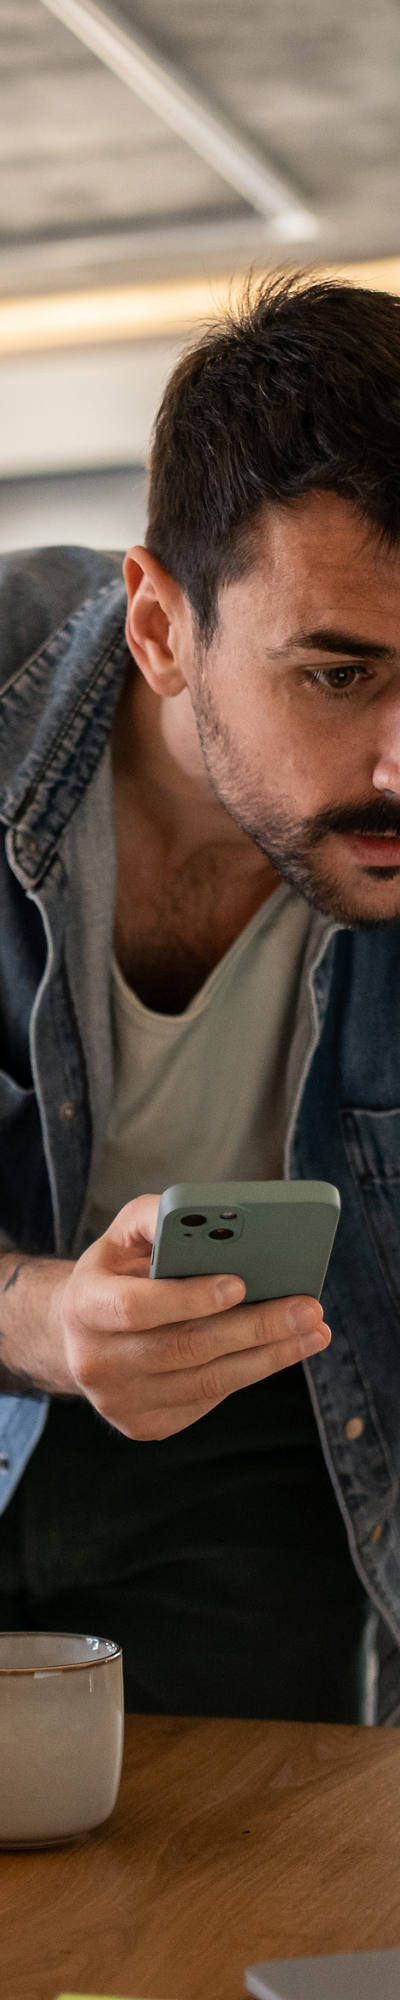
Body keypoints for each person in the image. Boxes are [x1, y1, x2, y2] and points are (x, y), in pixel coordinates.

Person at [1, 269, 400, 1727]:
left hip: (267, 1428)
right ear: (162, 624)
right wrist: (42, 1321)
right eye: (340, 672)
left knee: (231, 1908)